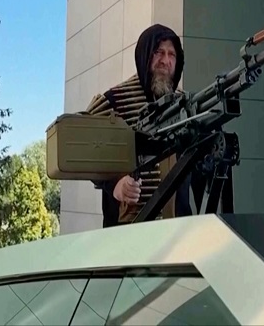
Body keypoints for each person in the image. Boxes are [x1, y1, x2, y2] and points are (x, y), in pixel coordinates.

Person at [81, 23, 193, 228]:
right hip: (128, 230)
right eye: (158, 52)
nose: (165, 61)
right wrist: (115, 184)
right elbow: (84, 148)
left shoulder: (186, 105)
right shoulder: (114, 101)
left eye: (172, 54)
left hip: (178, 228)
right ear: (144, 55)